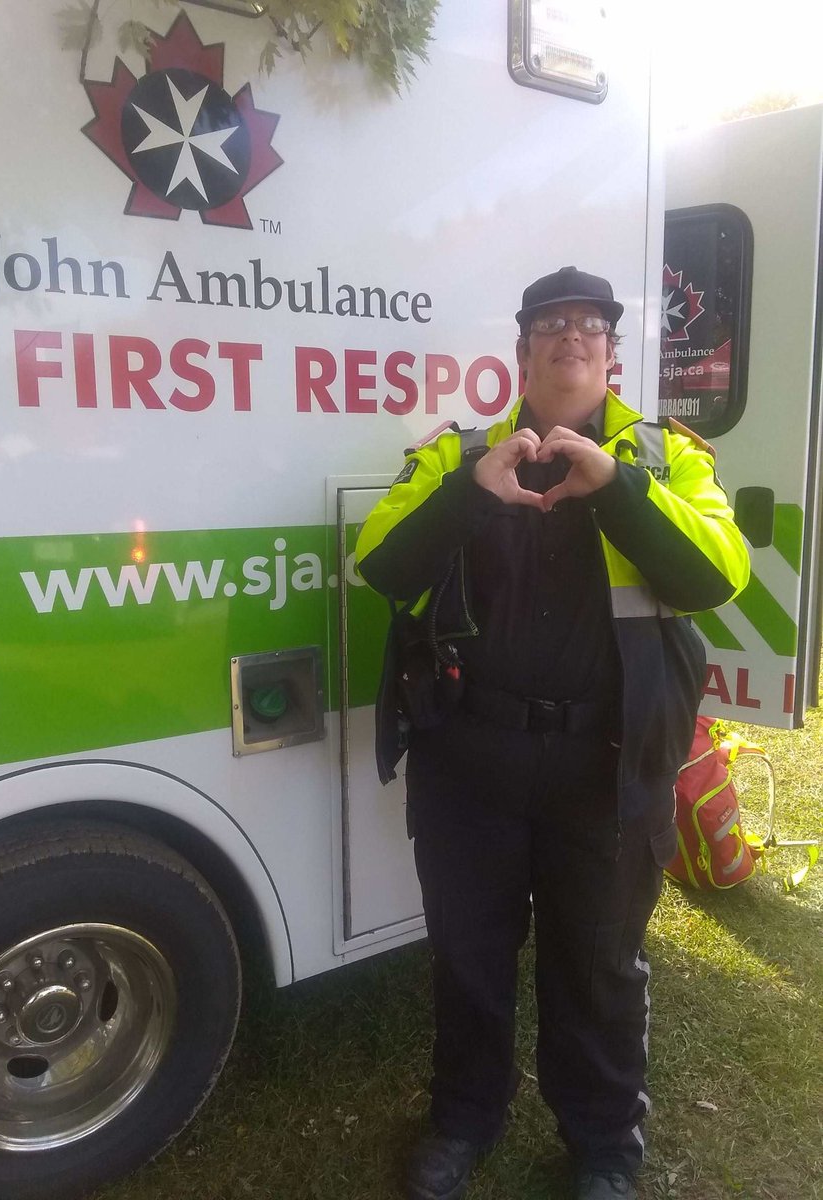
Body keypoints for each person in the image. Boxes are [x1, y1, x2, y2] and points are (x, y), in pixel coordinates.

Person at [355, 266, 750, 1200]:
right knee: (469, 957)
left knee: (600, 964)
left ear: (611, 354)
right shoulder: (455, 456)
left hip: (604, 770)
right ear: (523, 353)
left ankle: (605, 1144)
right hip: (470, 763)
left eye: (589, 327)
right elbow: (379, 562)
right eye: (550, 326)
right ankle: (462, 1119)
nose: (570, 338)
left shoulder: (668, 458)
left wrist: (615, 485)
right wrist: (469, 496)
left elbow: (715, 576)